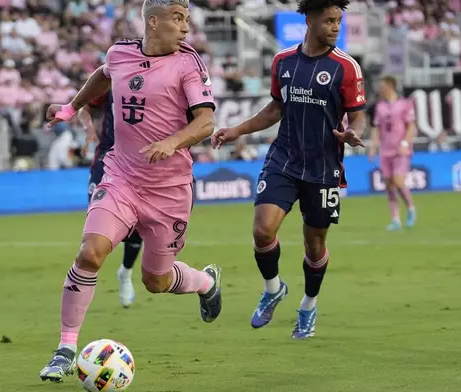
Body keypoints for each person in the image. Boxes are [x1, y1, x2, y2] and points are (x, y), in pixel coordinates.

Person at [38, 0, 222, 382]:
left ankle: (206, 282)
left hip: (169, 191)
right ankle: (65, 349)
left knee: (155, 280)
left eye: (187, 19)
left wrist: (173, 142)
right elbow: (103, 76)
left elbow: (205, 122)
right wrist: (71, 109)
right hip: (121, 178)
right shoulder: (119, 53)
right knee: (90, 253)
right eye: (178, 18)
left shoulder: (188, 63)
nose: (186, 27)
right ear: (153, 22)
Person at [212, 0, 365, 339]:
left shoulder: (347, 67)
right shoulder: (284, 61)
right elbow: (275, 108)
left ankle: (308, 306)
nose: (335, 27)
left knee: (314, 245)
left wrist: (355, 132)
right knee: (263, 230)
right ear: (309, 20)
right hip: (284, 158)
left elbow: (358, 113)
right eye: (329, 21)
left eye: (339, 21)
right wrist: (236, 130)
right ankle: (273, 288)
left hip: (324, 167)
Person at [78, 91, 141, 308]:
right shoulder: (112, 77)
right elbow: (84, 107)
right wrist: (88, 130)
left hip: (136, 163)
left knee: (137, 228)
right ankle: (78, 297)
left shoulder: (153, 79)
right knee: (96, 228)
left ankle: (126, 272)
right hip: (105, 159)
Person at [368, 75, 417, 230]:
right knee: (389, 185)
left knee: (398, 181)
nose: (379, 89)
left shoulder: (405, 104)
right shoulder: (380, 106)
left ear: (390, 86)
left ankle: (411, 208)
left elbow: (411, 126)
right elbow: (376, 128)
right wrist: (373, 147)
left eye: (382, 86)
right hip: (385, 150)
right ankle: (395, 219)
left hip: (400, 149)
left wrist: (404, 143)